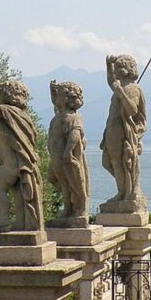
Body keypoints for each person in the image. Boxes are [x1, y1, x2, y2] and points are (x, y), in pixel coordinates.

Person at [0, 78, 44, 231]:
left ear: (6, 94)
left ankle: (3, 220)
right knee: (19, 194)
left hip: (12, 163)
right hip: (24, 163)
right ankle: (22, 222)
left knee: (0, 186)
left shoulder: (7, 111)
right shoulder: (24, 116)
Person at [100, 54, 147, 209]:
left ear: (128, 69)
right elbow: (111, 82)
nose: (117, 70)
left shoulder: (132, 88)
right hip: (113, 128)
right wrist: (108, 66)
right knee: (110, 162)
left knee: (123, 162)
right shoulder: (121, 87)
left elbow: (132, 110)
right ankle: (124, 190)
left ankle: (127, 192)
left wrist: (121, 92)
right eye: (116, 67)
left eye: (120, 67)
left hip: (122, 129)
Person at [47, 80, 89, 223]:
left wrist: (69, 151)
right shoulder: (58, 116)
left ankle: (79, 206)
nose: (55, 98)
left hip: (67, 157)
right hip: (56, 157)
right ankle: (68, 205)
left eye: (57, 95)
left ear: (65, 98)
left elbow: (75, 135)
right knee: (58, 181)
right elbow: (55, 102)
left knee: (75, 182)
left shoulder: (73, 117)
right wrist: (52, 91)